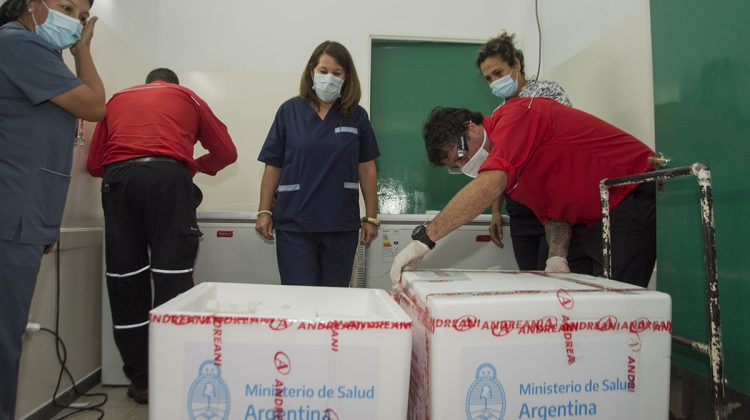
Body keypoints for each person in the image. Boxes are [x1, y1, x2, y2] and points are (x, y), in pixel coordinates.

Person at [87, 68, 237, 404]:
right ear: (173, 85)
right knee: (172, 277)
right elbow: (227, 152)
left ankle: (142, 382)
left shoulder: (117, 99)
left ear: (146, 82)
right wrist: (191, 165)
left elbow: (96, 164)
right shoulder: (186, 97)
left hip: (119, 180)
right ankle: (173, 376)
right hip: (167, 179)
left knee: (126, 279)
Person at [390, 99, 656, 288]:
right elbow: (553, 214)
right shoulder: (514, 181)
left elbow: (489, 184)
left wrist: (424, 239)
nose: (464, 165)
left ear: (470, 128)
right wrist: (557, 257)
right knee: (570, 297)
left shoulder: (517, 117)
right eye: (456, 167)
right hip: (588, 220)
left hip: (626, 195)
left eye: (461, 156)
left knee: (617, 308)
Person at [0, 0, 104, 417]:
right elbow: (97, 106)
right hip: (12, 213)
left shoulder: (41, 55)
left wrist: (44, 223)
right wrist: (83, 50)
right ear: (30, 4)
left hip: (25, 217)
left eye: (81, 15)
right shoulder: (17, 45)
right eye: (65, 6)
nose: (74, 20)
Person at [256, 41, 380, 287]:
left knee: (334, 300)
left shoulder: (356, 116)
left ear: (347, 77)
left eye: (337, 73)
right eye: (323, 71)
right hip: (294, 223)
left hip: (340, 224)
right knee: (298, 298)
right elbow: (273, 165)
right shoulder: (289, 112)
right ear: (312, 71)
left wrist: (371, 217)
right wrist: (264, 211)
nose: (329, 78)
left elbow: (367, 168)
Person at [475, 32, 572, 272]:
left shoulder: (549, 93)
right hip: (520, 212)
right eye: (488, 78)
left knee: (550, 277)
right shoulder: (499, 113)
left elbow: (563, 145)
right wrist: (496, 210)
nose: (494, 82)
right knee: (529, 276)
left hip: (551, 206)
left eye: (498, 73)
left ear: (516, 64)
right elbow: (499, 165)